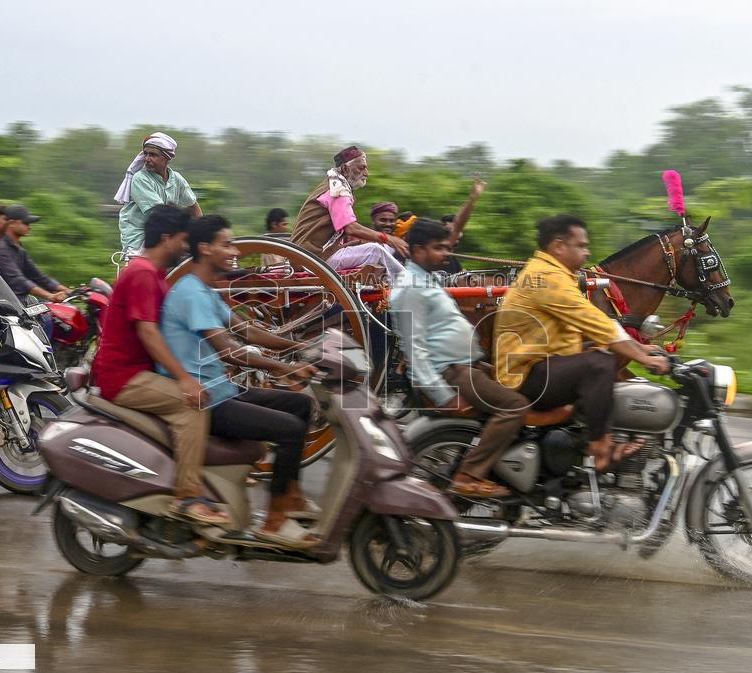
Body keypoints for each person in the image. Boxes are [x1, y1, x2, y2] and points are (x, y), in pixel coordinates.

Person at [161, 214, 320, 549]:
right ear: (205, 249)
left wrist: (299, 347)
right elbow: (229, 349)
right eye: (227, 244)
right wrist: (281, 368)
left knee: (302, 405)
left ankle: (290, 496)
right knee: (289, 429)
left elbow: (246, 330)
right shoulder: (190, 292)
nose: (235, 250)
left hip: (223, 389)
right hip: (208, 401)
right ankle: (275, 521)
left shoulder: (206, 290)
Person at [492, 215, 670, 471]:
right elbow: (595, 322)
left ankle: (581, 441)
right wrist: (644, 358)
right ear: (558, 247)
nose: (587, 253)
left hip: (538, 363)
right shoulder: (547, 278)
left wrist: (641, 348)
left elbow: (592, 326)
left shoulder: (554, 274)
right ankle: (600, 448)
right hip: (524, 375)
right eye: (581, 246)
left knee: (596, 354)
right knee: (600, 364)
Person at [91, 205, 228, 526]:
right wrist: (185, 380)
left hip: (139, 372)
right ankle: (188, 496)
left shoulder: (154, 275)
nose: (185, 247)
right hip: (123, 377)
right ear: (166, 238)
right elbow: (148, 333)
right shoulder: (141, 274)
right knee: (191, 405)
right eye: (183, 240)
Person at [390, 219, 529, 497]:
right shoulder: (410, 288)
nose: (447, 253)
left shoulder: (426, 279)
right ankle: (469, 475)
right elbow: (414, 349)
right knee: (515, 406)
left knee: (532, 384)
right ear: (417, 251)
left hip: (469, 365)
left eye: (447, 247)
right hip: (454, 373)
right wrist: (443, 396)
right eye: (439, 248)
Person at [290, 146, 408, 278]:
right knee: (376, 251)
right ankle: (410, 286)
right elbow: (351, 228)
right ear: (346, 169)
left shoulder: (333, 184)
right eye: (361, 168)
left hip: (310, 257)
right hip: (313, 260)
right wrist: (388, 239)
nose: (366, 173)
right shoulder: (338, 189)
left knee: (371, 248)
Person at [115, 132, 203, 255]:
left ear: (167, 158)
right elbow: (160, 216)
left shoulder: (176, 179)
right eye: (145, 154)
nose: (147, 159)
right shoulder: (140, 178)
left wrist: (202, 234)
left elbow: (193, 206)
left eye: (153, 155)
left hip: (165, 236)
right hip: (140, 241)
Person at [0, 205, 71, 304]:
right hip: (5, 307)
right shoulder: (1, 251)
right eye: (26, 223)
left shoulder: (19, 250)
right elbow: (19, 281)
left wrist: (68, 291)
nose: (30, 226)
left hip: (21, 302)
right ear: (12, 223)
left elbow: (39, 276)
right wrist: (49, 296)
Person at [440, 175, 487, 275]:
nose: (458, 234)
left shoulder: (451, 257)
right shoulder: (437, 251)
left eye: (459, 231)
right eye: (452, 230)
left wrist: (471, 278)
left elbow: (463, 274)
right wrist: (473, 197)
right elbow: (460, 222)